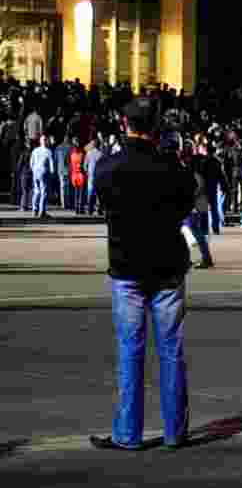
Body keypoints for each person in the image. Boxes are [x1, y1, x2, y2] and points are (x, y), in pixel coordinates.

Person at [89, 97, 195, 451]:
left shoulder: (108, 167)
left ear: (124, 123)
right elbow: (185, 205)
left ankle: (128, 433)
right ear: (157, 126)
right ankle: (174, 431)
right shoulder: (173, 168)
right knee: (170, 351)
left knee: (130, 351)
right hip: (167, 266)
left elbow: (103, 197)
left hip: (127, 267)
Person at [30, 135, 55, 218]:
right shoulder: (48, 151)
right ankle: (42, 211)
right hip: (43, 172)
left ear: (40, 142)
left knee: (36, 191)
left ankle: (34, 209)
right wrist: (52, 173)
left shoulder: (35, 150)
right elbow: (51, 164)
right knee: (43, 191)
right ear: (46, 141)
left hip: (35, 172)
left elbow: (31, 163)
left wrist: (33, 170)